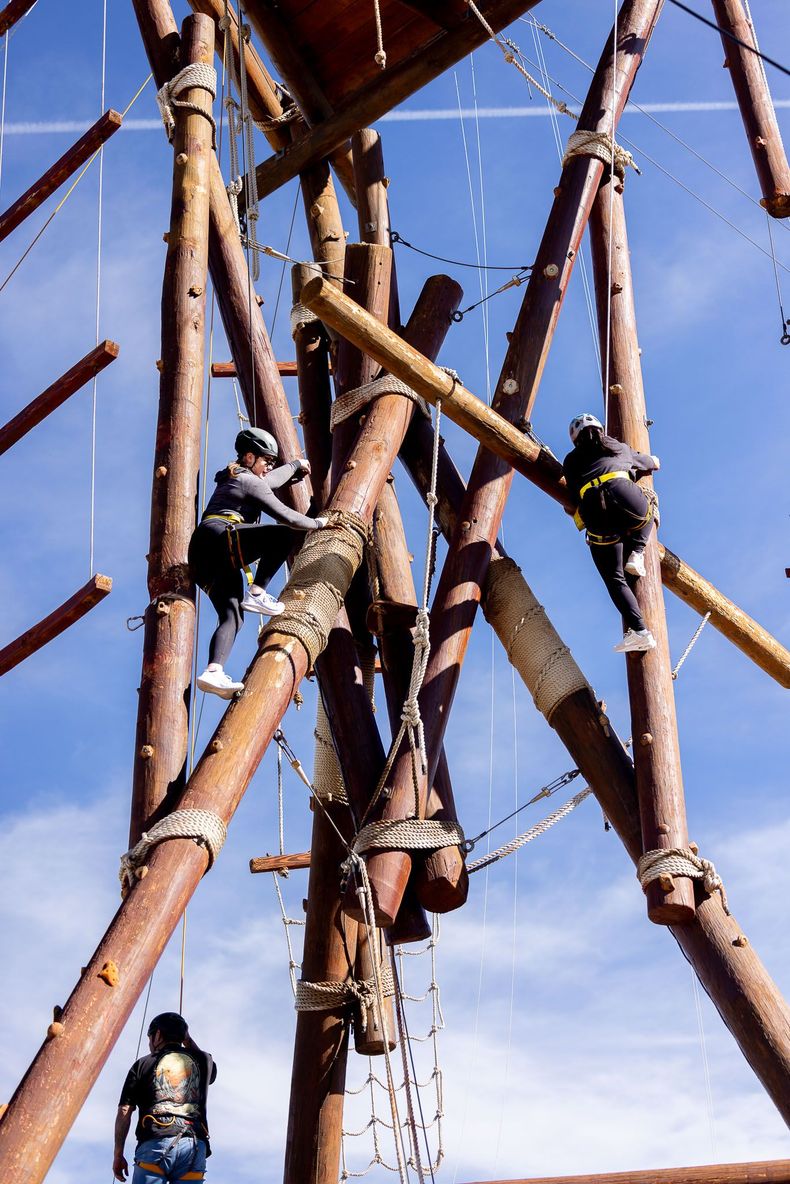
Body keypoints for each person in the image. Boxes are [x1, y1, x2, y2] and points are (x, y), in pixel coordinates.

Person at [189, 427, 327, 698]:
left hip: (205, 559)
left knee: (232, 616)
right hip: (219, 536)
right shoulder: (246, 480)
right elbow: (286, 515)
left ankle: (213, 671)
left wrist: (295, 466)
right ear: (249, 458)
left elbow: (272, 479)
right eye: (266, 461)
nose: (268, 468)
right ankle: (258, 593)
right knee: (283, 534)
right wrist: (318, 523)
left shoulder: (240, 477)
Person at [562, 413, 660, 654]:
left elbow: (570, 503)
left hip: (595, 511)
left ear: (575, 439)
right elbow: (651, 463)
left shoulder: (570, 461)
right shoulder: (617, 447)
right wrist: (648, 462)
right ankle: (637, 552)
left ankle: (640, 632)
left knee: (614, 578)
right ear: (600, 429)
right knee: (650, 501)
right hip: (625, 496)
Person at [113, 1012, 216, 1184]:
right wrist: (187, 1040)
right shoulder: (204, 1060)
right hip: (193, 1146)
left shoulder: (142, 1064)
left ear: (158, 1035)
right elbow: (210, 1073)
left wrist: (118, 1154)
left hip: (155, 1144)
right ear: (184, 1035)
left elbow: (125, 1110)